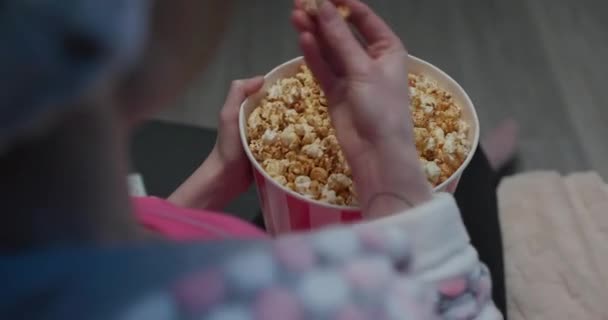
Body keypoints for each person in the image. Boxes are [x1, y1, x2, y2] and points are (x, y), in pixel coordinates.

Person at [0, 0, 505, 319]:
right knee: (473, 173)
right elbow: (450, 303)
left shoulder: (45, 242)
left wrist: (214, 180)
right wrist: (387, 166)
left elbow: (141, 228)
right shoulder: (319, 300)